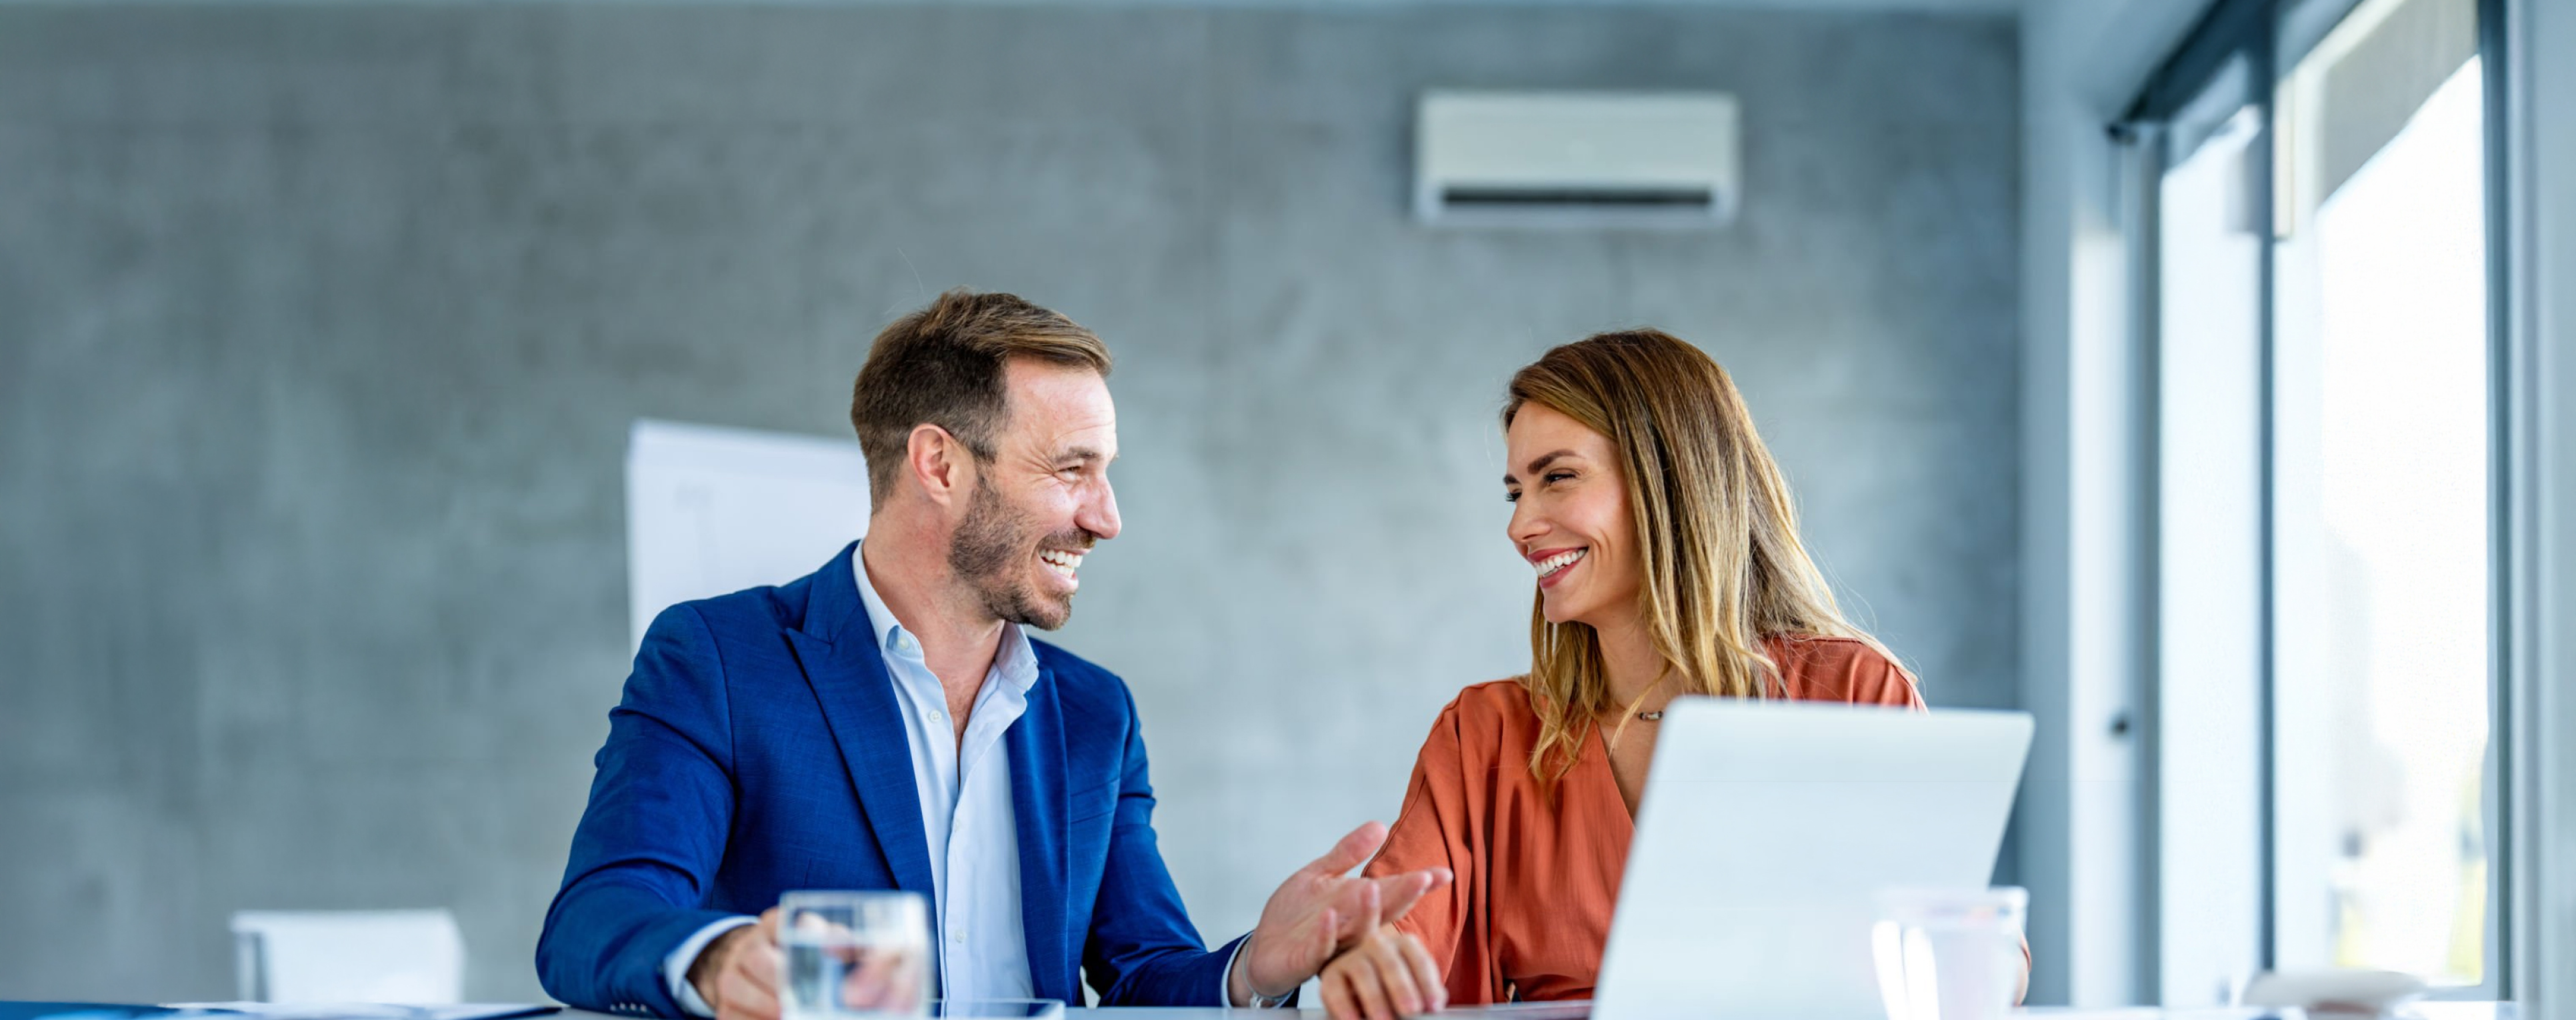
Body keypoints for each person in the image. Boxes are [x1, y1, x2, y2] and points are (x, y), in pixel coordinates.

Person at [536, 290, 1449, 1020]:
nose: (1107, 516)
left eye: (1106, 471)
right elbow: (595, 919)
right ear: (939, 465)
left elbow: (1143, 974)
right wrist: (724, 959)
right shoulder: (723, 662)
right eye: (1070, 469)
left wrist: (1254, 966)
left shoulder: (1095, 715)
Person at [1313, 329, 2023, 1020]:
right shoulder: (1485, 736)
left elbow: (1975, 952)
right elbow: (1394, 933)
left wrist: (1968, 957)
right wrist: (1361, 958)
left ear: (1669, 480)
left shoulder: (1851, 695)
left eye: (1557, 478)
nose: (1521, 525)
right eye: (1514, 493)